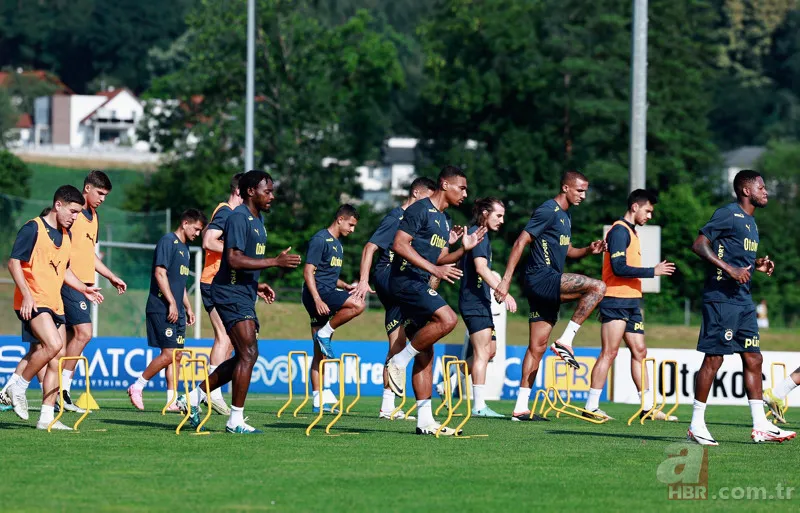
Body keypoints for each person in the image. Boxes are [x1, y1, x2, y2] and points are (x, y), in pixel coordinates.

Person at [178, 170, 302, 434]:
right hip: (228, 293)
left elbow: (244, 263)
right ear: (250, 192)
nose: (272, 196)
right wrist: (274, 262)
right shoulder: (237, 217)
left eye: (272, 190)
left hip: (243, 291)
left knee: (247, 354)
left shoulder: (258, 221)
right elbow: (232, 259)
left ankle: (193, 398)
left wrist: (256, 285)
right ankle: (235, 420)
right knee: (248, 353)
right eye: (267, 191)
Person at [688, 170, 795, 445]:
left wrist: (757, 264)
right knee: (714, 359)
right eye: (761, 187)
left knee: (754, 359)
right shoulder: (728, 213)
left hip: (743, 300)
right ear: (746, 191)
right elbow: (699, 245)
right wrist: (729, 269)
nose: (766, 191)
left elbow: (737, 256)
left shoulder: (751, 223)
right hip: (721, 298)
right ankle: (696, 424)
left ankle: (761, 425)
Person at [494, 170, 606, 421]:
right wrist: (505, 279)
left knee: (537, 347)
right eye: (579, 190)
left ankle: (520, 408)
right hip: (540, 278)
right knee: (598, 287)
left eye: (585, 190)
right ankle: (566, 340)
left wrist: (589, 250)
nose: (583, 195)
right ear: (565, 188)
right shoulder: (548, 210)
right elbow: (520, 241)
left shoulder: (566, 217)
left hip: (547, 282)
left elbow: (568, 252)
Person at [383, 165, 486, 435]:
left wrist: (462, 250)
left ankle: (425, 421)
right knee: (448, 319)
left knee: (426, 352)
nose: (465, 193)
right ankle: (398, 361)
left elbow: (439, 259)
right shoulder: (419, 209)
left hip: (418, 281)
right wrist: (434, 270)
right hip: (404, 280)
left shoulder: (444, 219)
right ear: (444, 185)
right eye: (461, 187)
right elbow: (399, 245)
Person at [3, 185, 104, 429]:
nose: (75, 217)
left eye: (79, 213)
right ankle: (17, 386)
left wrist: (83, 288)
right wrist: (26, 294)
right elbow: (14, 262)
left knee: (57, 359)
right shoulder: (33, 228)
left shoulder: (66, 234)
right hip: (34, 300)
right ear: (58, 205)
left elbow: (65, 269)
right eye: (72, 211)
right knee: (54, 345)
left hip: (54, 301)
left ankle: (47, 417)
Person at [583, 189, 676, 420]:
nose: (650, 216)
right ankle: (591, 406)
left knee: (640, 351)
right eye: (648, 211)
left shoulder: (633, 233)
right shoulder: (619, 231)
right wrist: (652, 271)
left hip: (632, 302)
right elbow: (618, 268)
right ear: (635, 207)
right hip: (615, 300)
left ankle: (647, 407)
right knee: (610, 352)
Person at [351, 177, 436, 420]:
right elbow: (370, 247)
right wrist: (364, 280)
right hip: (390, 278)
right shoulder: (398, 217)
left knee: (399, 343)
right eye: (429, 198)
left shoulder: (419, 222)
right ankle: (392, 404)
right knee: (415, 342)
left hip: (400, 282)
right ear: (418, 194)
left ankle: (388, 407)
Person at [59, 171, 127, 413]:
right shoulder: (72, 215)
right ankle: (61, 391)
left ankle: (21, 389)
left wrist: (111, 275)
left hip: (85, 284)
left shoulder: (94, 217)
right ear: (87, 188)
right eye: (100, 193)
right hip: (69, 282)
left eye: (106, 195)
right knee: (84, 333)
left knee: (59, 344)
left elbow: (89, 254)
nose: (102, 199)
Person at [127, 209, 206, 410]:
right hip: (162, 307)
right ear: (185, 223)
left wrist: (187, 308)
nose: (197, 234)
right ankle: (138, 386)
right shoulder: (167, 241)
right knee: (169, 353)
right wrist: (172, 302)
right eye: (196, 229)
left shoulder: (186, 249)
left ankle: (171, 401)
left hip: (176, 309)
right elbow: (159, 274)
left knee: (177, 355)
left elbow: (181, 283)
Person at [454, 197, 517, 418]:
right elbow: (481, 268)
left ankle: (453, 377)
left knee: (490, 350)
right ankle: (479, 406)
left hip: (482, 301)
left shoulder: (484, 236)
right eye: (498, 215)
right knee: (482, 352)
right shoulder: (477, 234)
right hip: (473, 301)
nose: (502, 220)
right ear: (484, 213)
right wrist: (503, 292)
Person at [301, 204, 365, 413]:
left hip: (326, 292)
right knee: (358, 304)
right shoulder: (320, 239)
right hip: (317, 295)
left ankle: (319, 401)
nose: (352, 230)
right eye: (351, 225)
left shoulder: (338, 244)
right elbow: (309, 272)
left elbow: (327, 275)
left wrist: (345, 285)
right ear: (340, 219)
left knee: (320, 353)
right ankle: (326, 332)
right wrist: (318, 299)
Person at [198, 172, 244, 415]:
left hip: (224, 284)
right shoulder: (226, 211)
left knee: (230, 342)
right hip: (212, 282)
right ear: (239, 191)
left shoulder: (231, 214)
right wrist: (233, 252)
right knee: (224, 338)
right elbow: (208, 240)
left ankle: (208, 391)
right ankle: (209, 392)